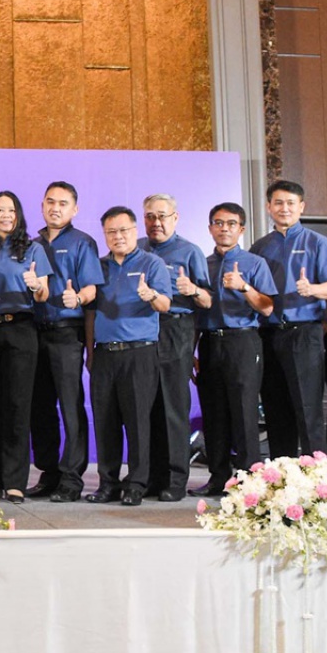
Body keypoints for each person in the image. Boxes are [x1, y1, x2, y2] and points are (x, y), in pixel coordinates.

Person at [191, 203, 276, 497]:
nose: (224, 228)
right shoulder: (202, 264)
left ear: (241, 229)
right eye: (218, 223)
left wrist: (244, 287)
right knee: (213, 413)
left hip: (243, 341)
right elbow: (196, 312)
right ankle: (217, 478)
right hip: (209, 342)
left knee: (244, 411)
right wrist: (191, 351)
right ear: (210, 228)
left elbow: (267, 308)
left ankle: (248, 480)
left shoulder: (254, 263)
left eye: (231, 223)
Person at [87, 207, 171, 507]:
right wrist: (89, 352)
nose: (118, 236)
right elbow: (90, 312)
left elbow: (165, 304)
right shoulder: (98, 267)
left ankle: (136, 484)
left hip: (140, 353)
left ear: (135, 231)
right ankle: (107, 484)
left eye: (123, 230)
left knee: (138, 423)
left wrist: (152, 296)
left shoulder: (152, 263)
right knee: (105, 422)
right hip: (104, 354)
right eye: (111, 232)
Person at [251, 179, 327, 457]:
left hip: (305, 334)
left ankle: (316, 473)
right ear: (268, 207)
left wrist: (312, 289)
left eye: (290, 203)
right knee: (275, 407)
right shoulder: (260, 247)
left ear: (302, 206)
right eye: (278, 202)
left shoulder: (318, 242)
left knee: (308, 407)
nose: (284, 208)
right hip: (268, 334)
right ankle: (281, 472)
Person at [29, 181, 103, 502]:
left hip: (67, 333)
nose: (55, 208)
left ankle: (72, 478)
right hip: (34, 332)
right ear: (42, 206)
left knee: (71, 406)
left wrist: (78, 298)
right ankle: (49, 473)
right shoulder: (31, 244)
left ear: (74, 209)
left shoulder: (82, 243)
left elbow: (92, 289)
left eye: (62, 203)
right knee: (40, 407)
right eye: (50, 202)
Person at [0, 191, 51, 502]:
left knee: (18, 406)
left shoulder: (34, 249)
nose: (6, 215)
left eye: (11, 210)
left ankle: (16, 481)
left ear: (18, 215)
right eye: (0, 210)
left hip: (21, 328)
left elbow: (44, 294)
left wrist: (37, 286)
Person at [138, 193, 210, 502]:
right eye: (150, 216)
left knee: (173, 407)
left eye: (162, 216)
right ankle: (151, 477)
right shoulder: (138, 248)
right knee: (147, 407)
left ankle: (176, 478)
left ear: (175, 218)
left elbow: (207, 300)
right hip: (142, 331)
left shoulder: (190, 251)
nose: (156, 222)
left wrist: (192, 289)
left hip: (176, 329)